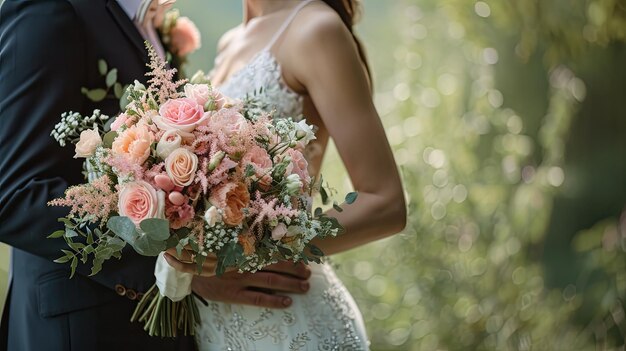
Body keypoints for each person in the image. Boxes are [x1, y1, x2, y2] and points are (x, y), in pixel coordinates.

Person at [0, 0, 311, 349]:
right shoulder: (51, 10)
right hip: (83, 328)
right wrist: (180, 269)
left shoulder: (147, 21)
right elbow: (13, 194)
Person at [164, 0, 406, 349]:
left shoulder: (316, 29)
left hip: (293, 325)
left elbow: (385, 204)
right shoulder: (230, 41)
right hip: (218, 328)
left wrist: (256, 249)